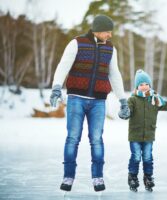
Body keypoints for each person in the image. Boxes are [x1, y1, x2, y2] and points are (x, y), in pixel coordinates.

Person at [49, 15, 130, 192]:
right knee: (72, 138)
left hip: (99, 102)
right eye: (107, 31)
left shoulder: (110, 48)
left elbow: (114, 74)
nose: (110, 35)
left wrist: (123, 100)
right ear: (98, 30)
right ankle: (68, 177)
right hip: (76, 99)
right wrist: (56, 87)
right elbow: (63, 65)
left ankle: (98, 178)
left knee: (96, 139)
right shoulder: (77, 43)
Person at [120, 69, 167, 192]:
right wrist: (124, 113)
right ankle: (132, 177)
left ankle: (148, 178)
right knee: (136, 157)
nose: (144, 87)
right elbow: (127, 111)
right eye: (141, 84)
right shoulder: (132, 99)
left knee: (148, 157)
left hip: (149, 135)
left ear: (149, 85)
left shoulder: (154, 99)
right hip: (135, 135)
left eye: (146, 84)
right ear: (137, 86)